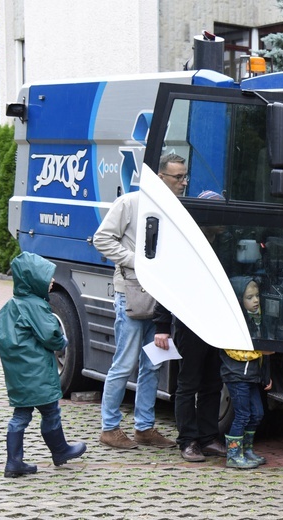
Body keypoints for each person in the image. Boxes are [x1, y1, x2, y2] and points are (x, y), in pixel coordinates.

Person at [93, 153, 188, 449]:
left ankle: (144, 428)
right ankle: (109, 429)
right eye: (178, 177)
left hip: (160, 299)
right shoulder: (129, 203)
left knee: (154, 364)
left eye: (185, 176)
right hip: (132, 294)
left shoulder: (176, 207)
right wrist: (137, 262)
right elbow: (102, 239)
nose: (184, 182)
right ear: (161, 178)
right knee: (124, 363)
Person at [0, 252, 87, 477]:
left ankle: (14, 461)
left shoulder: (11, 306)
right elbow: (51, 335)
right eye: (47, 278)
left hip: (19, 374)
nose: (52, 282)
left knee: (21, 415)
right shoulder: (35, 306)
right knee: (51, 412)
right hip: (37, 374)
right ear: (33, 280)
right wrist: (62, 341)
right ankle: (60, 450)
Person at [153, 189, 227, 462]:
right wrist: (162, 326)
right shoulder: (184, 245)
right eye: (218, 215)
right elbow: (166, 286)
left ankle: (208, 438)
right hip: (189, 324)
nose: (224, 221)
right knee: (188, 383)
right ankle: (187, 440)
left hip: (218, 323)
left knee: (212, 382)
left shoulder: (224, 242)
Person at [220, 276, 273, 469]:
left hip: (252, 376)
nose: (256, 300)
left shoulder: (258, 320)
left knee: (257, 413)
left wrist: (266, 375)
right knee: (242, 414)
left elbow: (265, 354)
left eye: (257, 296)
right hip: (236, 376)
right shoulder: (233, 322)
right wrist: (260, 350)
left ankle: (247, 450)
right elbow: (233, 350)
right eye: (249, 297)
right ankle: (233, 455)